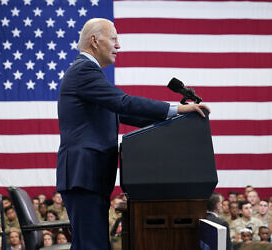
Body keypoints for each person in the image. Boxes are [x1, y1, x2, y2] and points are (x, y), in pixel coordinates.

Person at [56, 17, 210, 250]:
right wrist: (177, 108)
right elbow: (124, 103)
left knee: (91, 245)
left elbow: (124, 114)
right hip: (83, 175)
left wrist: (178, 118)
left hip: (88, 177)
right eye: (114, 39)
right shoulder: (84, 71)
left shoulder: (88, 73)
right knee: (92, 246)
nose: (118, 46)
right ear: (95, 41)